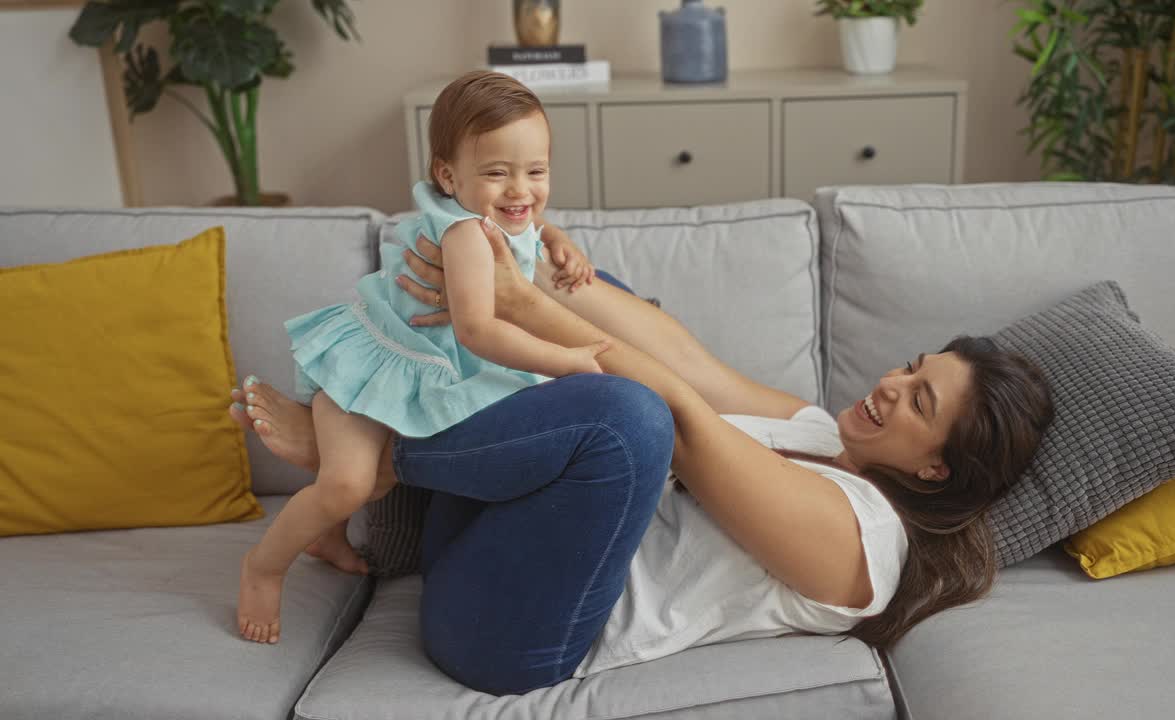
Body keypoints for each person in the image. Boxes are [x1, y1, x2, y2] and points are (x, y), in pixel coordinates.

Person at [230, 208, 1054, 695]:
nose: (887, 385)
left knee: (635, 422)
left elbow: (684, 418)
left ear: (933, 468)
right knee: (610, 303)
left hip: (520, 636)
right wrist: (539, 266)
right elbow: (686, 358)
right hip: (491, 537)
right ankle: (373, 426)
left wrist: (528, 308)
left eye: (918, 402)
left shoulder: (868, 545)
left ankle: (381, 463)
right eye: (910, 367)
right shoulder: (817, 431)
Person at [235, 70, 605, 644]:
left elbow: (527, 221)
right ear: (446, 174)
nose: (520, 191)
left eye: (536, 172)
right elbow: (479, 331)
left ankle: (326, 538)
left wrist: (558, 240)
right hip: (372, 368)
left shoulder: (501, 214)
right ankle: (263, 566)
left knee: (382, 479)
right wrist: (566, 359)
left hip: (416, 374)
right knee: (349, 485)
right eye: (497, 173)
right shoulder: (462, 234)